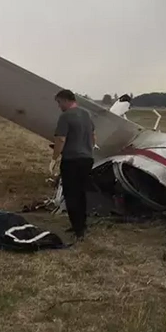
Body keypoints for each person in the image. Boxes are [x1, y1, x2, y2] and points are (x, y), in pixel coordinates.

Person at [51, 89, 96, 239]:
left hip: (71, 160)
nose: (58, 106)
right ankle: (81, 225)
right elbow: (93, 136)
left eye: (58, 102)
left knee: (71, 194)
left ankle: (78, 230)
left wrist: (54, 158)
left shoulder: (65, 116)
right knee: (81, 193)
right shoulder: (87, 114)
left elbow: (61, 139)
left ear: (65, 100)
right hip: (87, 159)